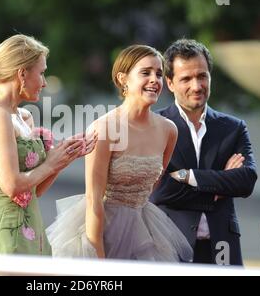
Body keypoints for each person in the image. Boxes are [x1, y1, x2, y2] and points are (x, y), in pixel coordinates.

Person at [0, 34, 97, 276]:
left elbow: (34, 190)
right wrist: (51, 162)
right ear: (22, 73)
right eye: (41, 73)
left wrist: (63, 158)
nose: (44, 82)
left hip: (29, 228)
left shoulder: (24, 117)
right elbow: (12, 185)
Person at [46, 45, 193, 262]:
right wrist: (98, 257)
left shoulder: (169, 130)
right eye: (146, 73)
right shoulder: (104, 128)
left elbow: (153, 184)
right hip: (103, 229)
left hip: (145, 229)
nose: (155, 79)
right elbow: (93, 198)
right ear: (123, 79)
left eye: (159, 74)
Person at [150, 39, 258, 265]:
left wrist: (188, 176)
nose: (197, 86)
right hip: (171, 248)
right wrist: (220, 186)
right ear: (169, 82)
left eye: (202, 76)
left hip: (223, 249)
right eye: (186, 79)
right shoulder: (155, 125)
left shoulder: (234, 127)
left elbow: (246, 181)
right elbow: (162, 190)